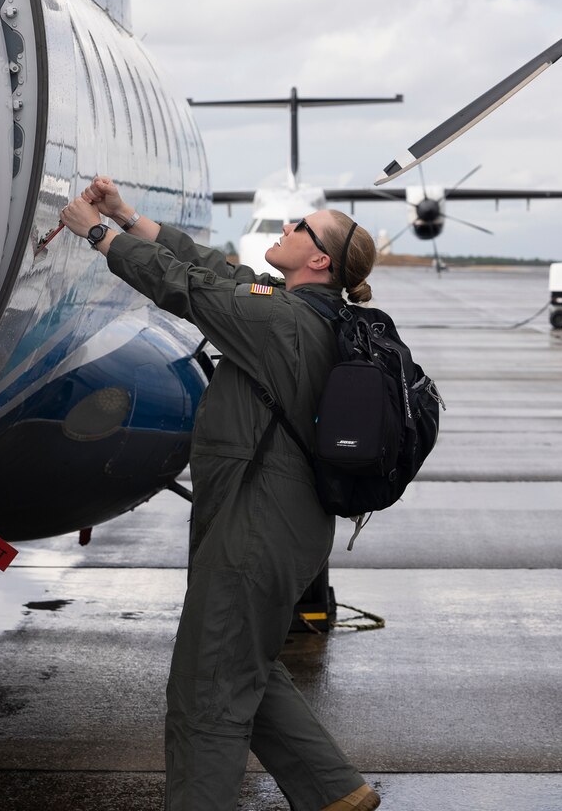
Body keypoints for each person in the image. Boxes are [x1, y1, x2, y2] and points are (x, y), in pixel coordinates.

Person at [59, 177, 380, 811]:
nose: (287, 227)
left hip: (256, 530)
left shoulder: (278, 322)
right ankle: (334, 791)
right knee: (242, 665)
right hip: (275, 526)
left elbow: (186, 288)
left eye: (301, 228)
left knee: (207, 691)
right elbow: (215, 269)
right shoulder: (297, 310)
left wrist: (97, 235)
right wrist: (129, 216)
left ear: (319, 260)